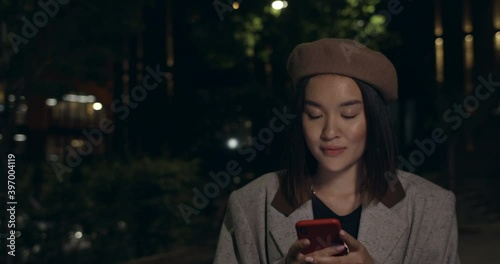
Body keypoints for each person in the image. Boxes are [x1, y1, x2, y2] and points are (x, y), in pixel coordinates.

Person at [213, 38, 460, 264]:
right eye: (315, 115)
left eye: (348, 114)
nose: (329, 131)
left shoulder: (432, 206)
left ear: (374, 120)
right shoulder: (251, 203)